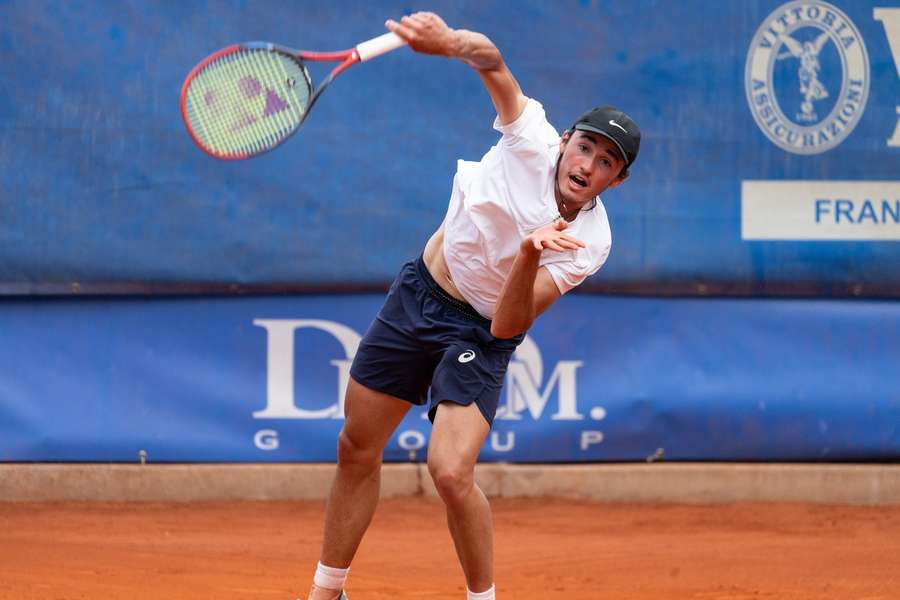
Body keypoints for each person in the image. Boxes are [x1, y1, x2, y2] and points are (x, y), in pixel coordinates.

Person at [304, 11, 640, 600]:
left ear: (617, 180)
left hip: (480, 333)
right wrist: (450, 43)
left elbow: (509, 322)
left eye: (606, 162)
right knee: (356, 446)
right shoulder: (530, 137)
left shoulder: (593, 242)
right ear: (565, 142)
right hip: (421, 294)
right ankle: (327, 590)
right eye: (585, 147)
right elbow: (493, 61)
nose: (587, 166)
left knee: (451, 473)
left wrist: (532, 253)